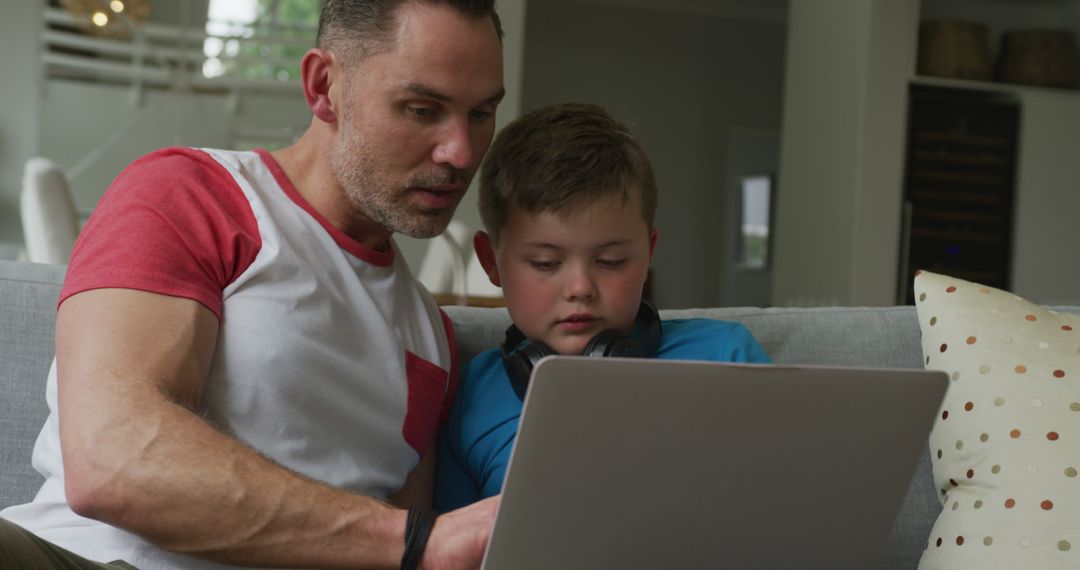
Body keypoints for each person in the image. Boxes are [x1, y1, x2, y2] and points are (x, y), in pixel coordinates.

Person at [0, 1, 506, 568]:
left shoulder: (432, 340)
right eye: (421, 108)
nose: (460, 152)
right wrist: (416, 540)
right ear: (323, 86)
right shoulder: (195, 197)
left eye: (481, 113)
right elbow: (111, 462)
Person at [433, 103, 772, 510]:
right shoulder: (467, 397)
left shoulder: (727, 357)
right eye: (545, 263)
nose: (580, 288)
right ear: (492, 262)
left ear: (648, 254)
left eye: (610, 262)